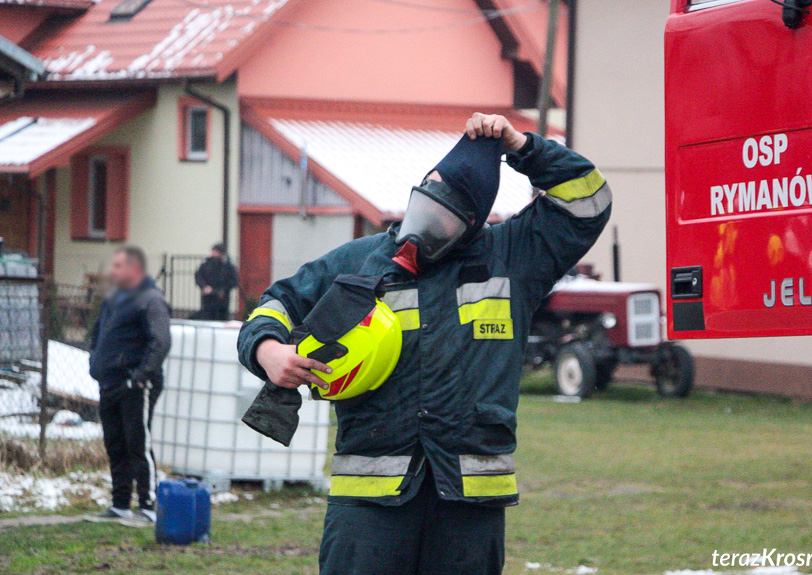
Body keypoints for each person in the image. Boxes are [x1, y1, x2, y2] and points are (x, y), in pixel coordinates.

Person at [237, 113, 612, 574]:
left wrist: (523, 147)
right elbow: (276, 303)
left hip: (469, 507)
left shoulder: (514, 258)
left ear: (473, 225)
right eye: (425, 202)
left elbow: (588, 202)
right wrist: (268, 351)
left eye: (445, 217)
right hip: (369, 505)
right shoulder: (362, 260)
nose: (426, 225)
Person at [84, 246, 171, 527]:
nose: (112, 271)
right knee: (115, 443)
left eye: (118, 266)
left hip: (136, 384)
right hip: (109, 383)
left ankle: (148, 507)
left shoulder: (150, 298)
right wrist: (94, 362)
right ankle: (120, 504)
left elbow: (160, 341)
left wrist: (140, 375)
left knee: (138, 444)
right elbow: (97, 335)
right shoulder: (113, 299)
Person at [191, 243, 238, 321]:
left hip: (222, 299)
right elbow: (199, 276)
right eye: (213, 251)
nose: (213, 254)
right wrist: (204, 286)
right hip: (208, 298)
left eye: (216, 252)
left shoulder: (228, 267)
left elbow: (233, 281)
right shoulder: (206, 265)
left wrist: (223, 290)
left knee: (221, 318)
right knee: (207, 316)